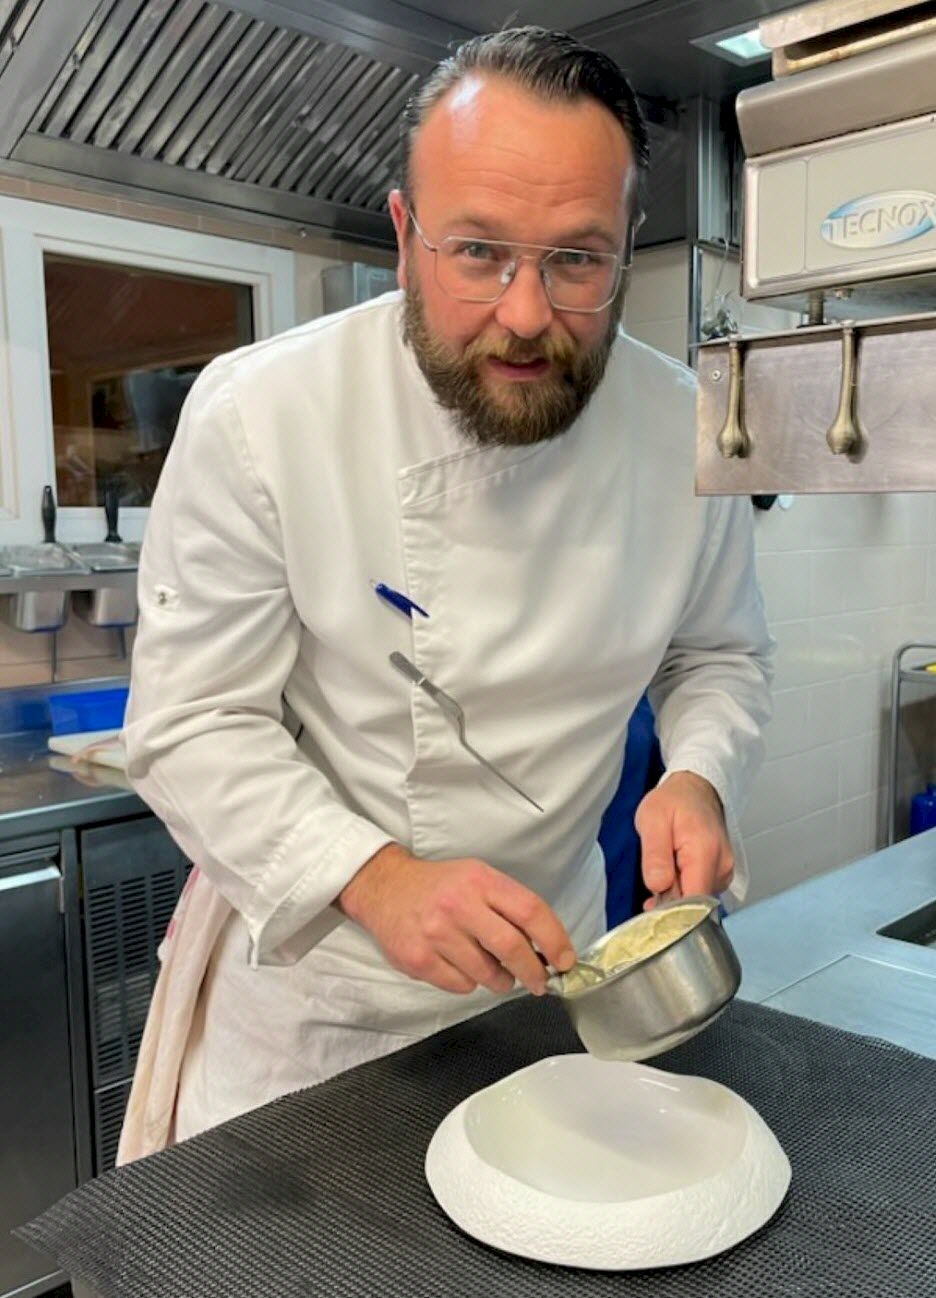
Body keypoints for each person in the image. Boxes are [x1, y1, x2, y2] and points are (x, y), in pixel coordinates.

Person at [120, 26, 773, 1155]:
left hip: (550, 989)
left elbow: (716, 652)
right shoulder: (262, 416)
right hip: (322, 1007)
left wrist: (700, 773)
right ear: (406, 235)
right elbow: (187, 724)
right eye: (478, 252)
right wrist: (376, 878)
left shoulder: (685, 426)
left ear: (627, 246)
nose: (527, 314)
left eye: (578, 261)